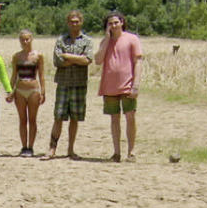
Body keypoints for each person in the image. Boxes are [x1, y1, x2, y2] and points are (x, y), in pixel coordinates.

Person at [43, 10, 92, 161]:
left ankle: (71, 150)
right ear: (68, 22)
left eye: (77, 21)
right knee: (58, 116)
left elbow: (87, 60)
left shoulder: (87, 41)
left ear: (81, 22)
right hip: (63, 83)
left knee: (75, 118)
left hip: (79, 84)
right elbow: (58, 61)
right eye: (72, 21)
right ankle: (52, 149)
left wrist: (68, 57)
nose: (74, 24)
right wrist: (78, 59)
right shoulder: (60, 40)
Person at [94, 11, 142, 163]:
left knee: (130, 117)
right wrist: (107, 39)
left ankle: (131, 152)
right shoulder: (105, 41)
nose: (113, 26)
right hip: (109, 86)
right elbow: (98, 60)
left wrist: (136, 84)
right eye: (110, 23)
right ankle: (116, 153)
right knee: (114, 119)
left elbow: (138, 61)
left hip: (127, 85)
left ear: (122, 22)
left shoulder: (132, 39)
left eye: (116, 22)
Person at [8, 29, 45, 157]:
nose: (25, 41)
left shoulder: (38, 55)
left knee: (33, 120)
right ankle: (24, 147)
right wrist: (9, 90)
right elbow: (14, 75)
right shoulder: (17, 56)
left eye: (27, 39)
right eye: (22, 39)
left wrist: (43, 92)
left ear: (31, 39)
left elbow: (41, 75)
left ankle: (31, 146)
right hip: (20, 90)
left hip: (33, 89)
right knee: (22, 119)